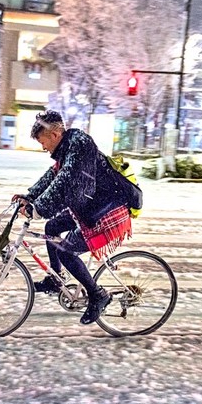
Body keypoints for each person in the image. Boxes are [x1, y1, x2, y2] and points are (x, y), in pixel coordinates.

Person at [13, 111, 132, 325]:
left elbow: (67, 183)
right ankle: (55, 279)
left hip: (106, 209)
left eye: (43, 141)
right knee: (52, 227)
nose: (43, 147)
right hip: (89, 206)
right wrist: (29, 196)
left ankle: (98, 295)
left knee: (66, 251)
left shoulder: (80, 145)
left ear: (56, 134)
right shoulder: (67, 148)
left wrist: (38, 208)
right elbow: (54, 176)